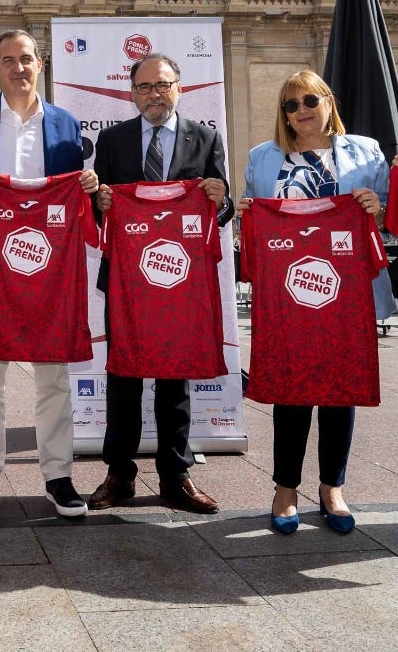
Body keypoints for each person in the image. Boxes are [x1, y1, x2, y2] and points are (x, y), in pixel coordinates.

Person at [0, 29, 100, 519]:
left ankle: (58, 475)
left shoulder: (67, 126)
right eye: (9, 60)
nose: (19, 68)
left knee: (53, 377)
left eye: (26, 59)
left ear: (40, 63)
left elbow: (79, 200)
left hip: (50, 274)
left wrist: (91, 187)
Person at [239, 70, 388, 534]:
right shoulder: (262, 159)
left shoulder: (367, 151)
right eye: (289, 105)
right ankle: (285, 489)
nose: (300, 111)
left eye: (308, 100)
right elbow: (252, 214)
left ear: (328, 99)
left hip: (346, 294)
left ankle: (332, 487)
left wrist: (375, 205)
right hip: (285, 295)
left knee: (340, 390)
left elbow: (390, 211)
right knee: (290, 390)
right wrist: (245, 212)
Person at [87, 53, 232, 515]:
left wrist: (220, 199)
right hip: (128, 282)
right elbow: (97, 212)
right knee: (123, 377)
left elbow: (221, 211)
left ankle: (175, 475)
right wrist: (102, 202)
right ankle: (119, 474)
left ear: (179, 88)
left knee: (175, 377)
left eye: (162, 85)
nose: (154, 94)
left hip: (181, 283)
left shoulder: (206, 139)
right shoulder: (110, 141)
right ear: (132, 93)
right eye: (145, 87)